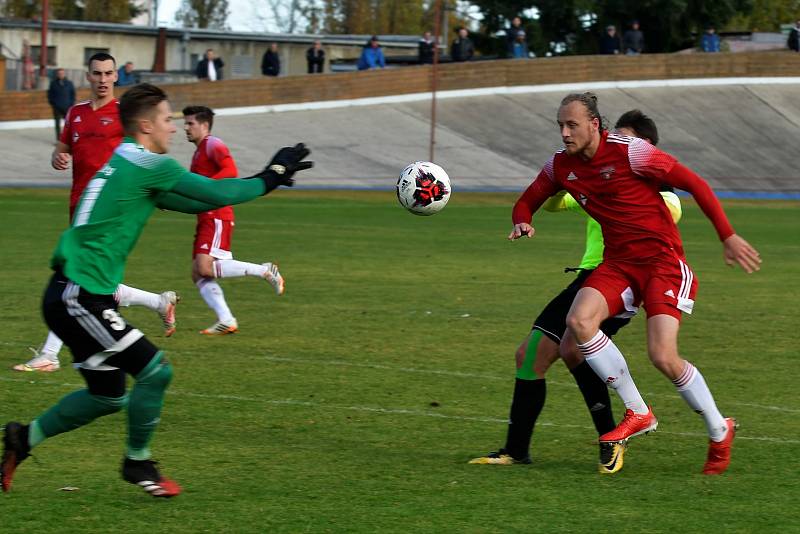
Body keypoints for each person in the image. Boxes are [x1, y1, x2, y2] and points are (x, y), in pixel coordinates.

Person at [0, 83, 313, 497]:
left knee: (107, 397)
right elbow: (217, 192)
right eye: (167, 120)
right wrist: (270, 176)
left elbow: (199, 202)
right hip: (78, 295)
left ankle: (23, 438)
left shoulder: (128, 161)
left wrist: (264, 181)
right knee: (155, 371)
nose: (172, 129)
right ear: (145, 125)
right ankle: (137, 462)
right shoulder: (148, 163)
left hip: (74, 293)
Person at [509, 92, 761, 475]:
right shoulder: (560, 165)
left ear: (595, 124)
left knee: (663, 356)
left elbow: (695, 183)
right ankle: (639, 411)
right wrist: (522, 219)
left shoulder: (632, 152)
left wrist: (727, 235)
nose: (564, 133)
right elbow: (527, 200)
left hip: (662, 264)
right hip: (618, 265)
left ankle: (718, 427)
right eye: (560, 125)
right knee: (578, 324)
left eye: (572, 124)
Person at [470, 110, 681, 474]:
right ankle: (518, 450)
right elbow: (553, 202)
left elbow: (670, 211)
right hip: (590, 275)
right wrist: (564, 178)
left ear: (645, 148)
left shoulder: (660, 191)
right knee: (533, 354)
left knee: (570, 350)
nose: (620, 146)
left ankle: (611, 438)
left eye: (629, 141)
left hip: (621, 277)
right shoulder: (596, 173)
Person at [15, 52, 178, 374]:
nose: (103, 79)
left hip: (111, 210)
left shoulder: (124, 114)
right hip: (81, 206)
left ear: (116, 76)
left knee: (75, 279)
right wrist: (58, 157)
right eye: (97, 73)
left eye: (108, 73)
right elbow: (64, 146)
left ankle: (50, 353)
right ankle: (160, 302)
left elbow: (142, 154)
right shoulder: (75, 113)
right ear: (87, 77)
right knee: (88, 281)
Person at [182, 105, 285, 335]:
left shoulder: (212, 144)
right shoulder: (199, 151)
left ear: (204, 125)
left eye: (190, 123)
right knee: (198, 273)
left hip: (216, 214)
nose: (185, 128)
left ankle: (264, 270)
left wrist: (209, 190)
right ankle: (226, 319)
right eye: (185, 123)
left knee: (204, 267)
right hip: (207, 215)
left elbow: (230, 169)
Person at [47, 68, 75, 141]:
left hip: (67, 107)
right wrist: (53, 103)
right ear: (57, 74)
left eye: (62, 73)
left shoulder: (69, 83)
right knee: (57, 125)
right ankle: (58, 140)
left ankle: (67, 140)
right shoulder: (53, 83)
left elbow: (73, 94)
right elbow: (50, 94)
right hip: (56, 107)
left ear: (64, 74)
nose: (60, 75)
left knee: (68, 125)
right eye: (59, 73)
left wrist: (71, 104)